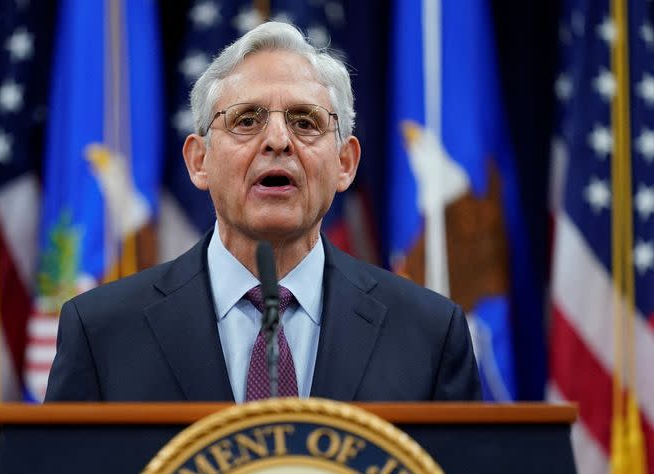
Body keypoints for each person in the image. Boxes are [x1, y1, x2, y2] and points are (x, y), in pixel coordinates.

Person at [45, 22, 481, 403]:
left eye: (305, 121)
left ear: (345, 163)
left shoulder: (429, 334)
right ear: (199, 161)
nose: (277, 140)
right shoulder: (102, 333)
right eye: (247, 120)